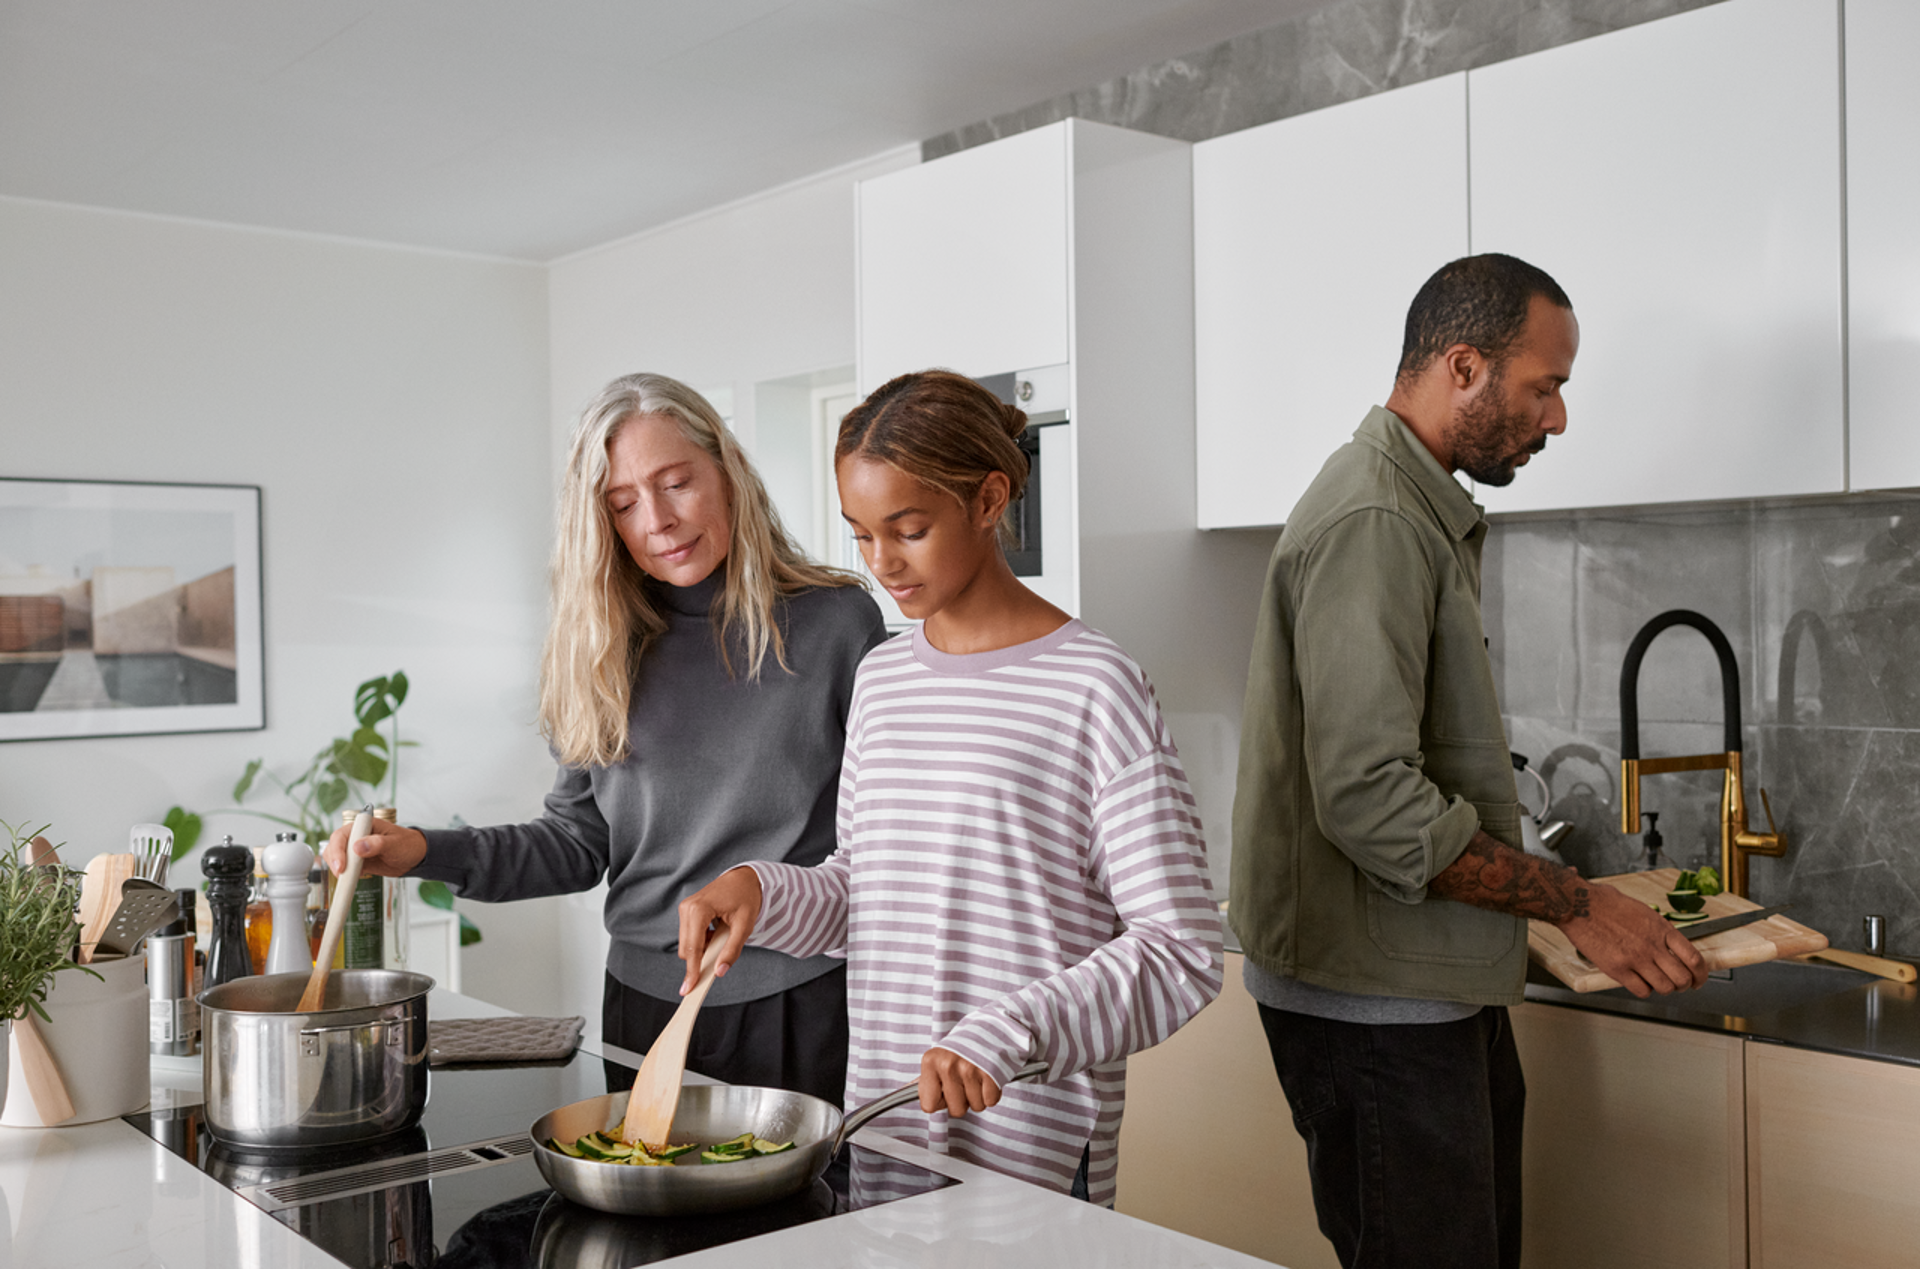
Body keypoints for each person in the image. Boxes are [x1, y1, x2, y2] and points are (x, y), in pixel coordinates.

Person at [1230, 254, 1708, 1269]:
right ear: (1462, 366)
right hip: (1374, 1006)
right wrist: (1574, 902)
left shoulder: (1411, 507)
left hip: (1413, 984)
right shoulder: (1377, 520)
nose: (1559, 419)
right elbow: (1368, 798)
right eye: (1547, 386)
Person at [676, 369, 1224, 1207]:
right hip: (889, 1129)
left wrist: (1012, 1031)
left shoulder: (1095, 686)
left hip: (1034, 1147)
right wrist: (762, 889)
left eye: (909, 529)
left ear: (990, 498)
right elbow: (864, 893)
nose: (882, 563)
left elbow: (1180, 949)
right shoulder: (885, 677)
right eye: (861, 535)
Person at [324, 372, 885, 1105]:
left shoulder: (839, 622)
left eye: (676, 481)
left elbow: (879, 850)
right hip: (641, 1005)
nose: (656, 519)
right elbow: (577, 843)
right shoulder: (599, 647)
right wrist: (422, 851)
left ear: (728, 470)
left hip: (799, 1004)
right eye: (623, 503)